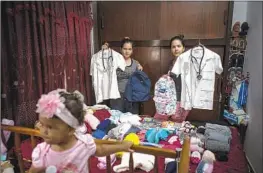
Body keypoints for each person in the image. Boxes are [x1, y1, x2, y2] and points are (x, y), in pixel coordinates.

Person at [29, 89, 133, 173]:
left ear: (70, 129)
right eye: (41, 125)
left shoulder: (84, 143)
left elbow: (100, 149)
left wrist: (122, 146)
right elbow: (34, 171)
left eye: (50, 127)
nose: (43, 131)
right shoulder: (42, 151)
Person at [110, 37, 143, 114]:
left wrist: (139, 69)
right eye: (125, 49)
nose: (127, 51)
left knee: (132, 120)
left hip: (131, 97)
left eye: (129, 49)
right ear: (121, 49)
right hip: (117, 96)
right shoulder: (114, 62)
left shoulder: (136, 63)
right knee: (117, 120)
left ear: (132, 50)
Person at [168, 35, 190, 122]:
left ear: (183, 48)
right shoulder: (171, 63)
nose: (176, 49)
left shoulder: (186, 63)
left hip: (183, 99)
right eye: (173, 47)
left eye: (178, 46)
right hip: (172, 98)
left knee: (179, 122)